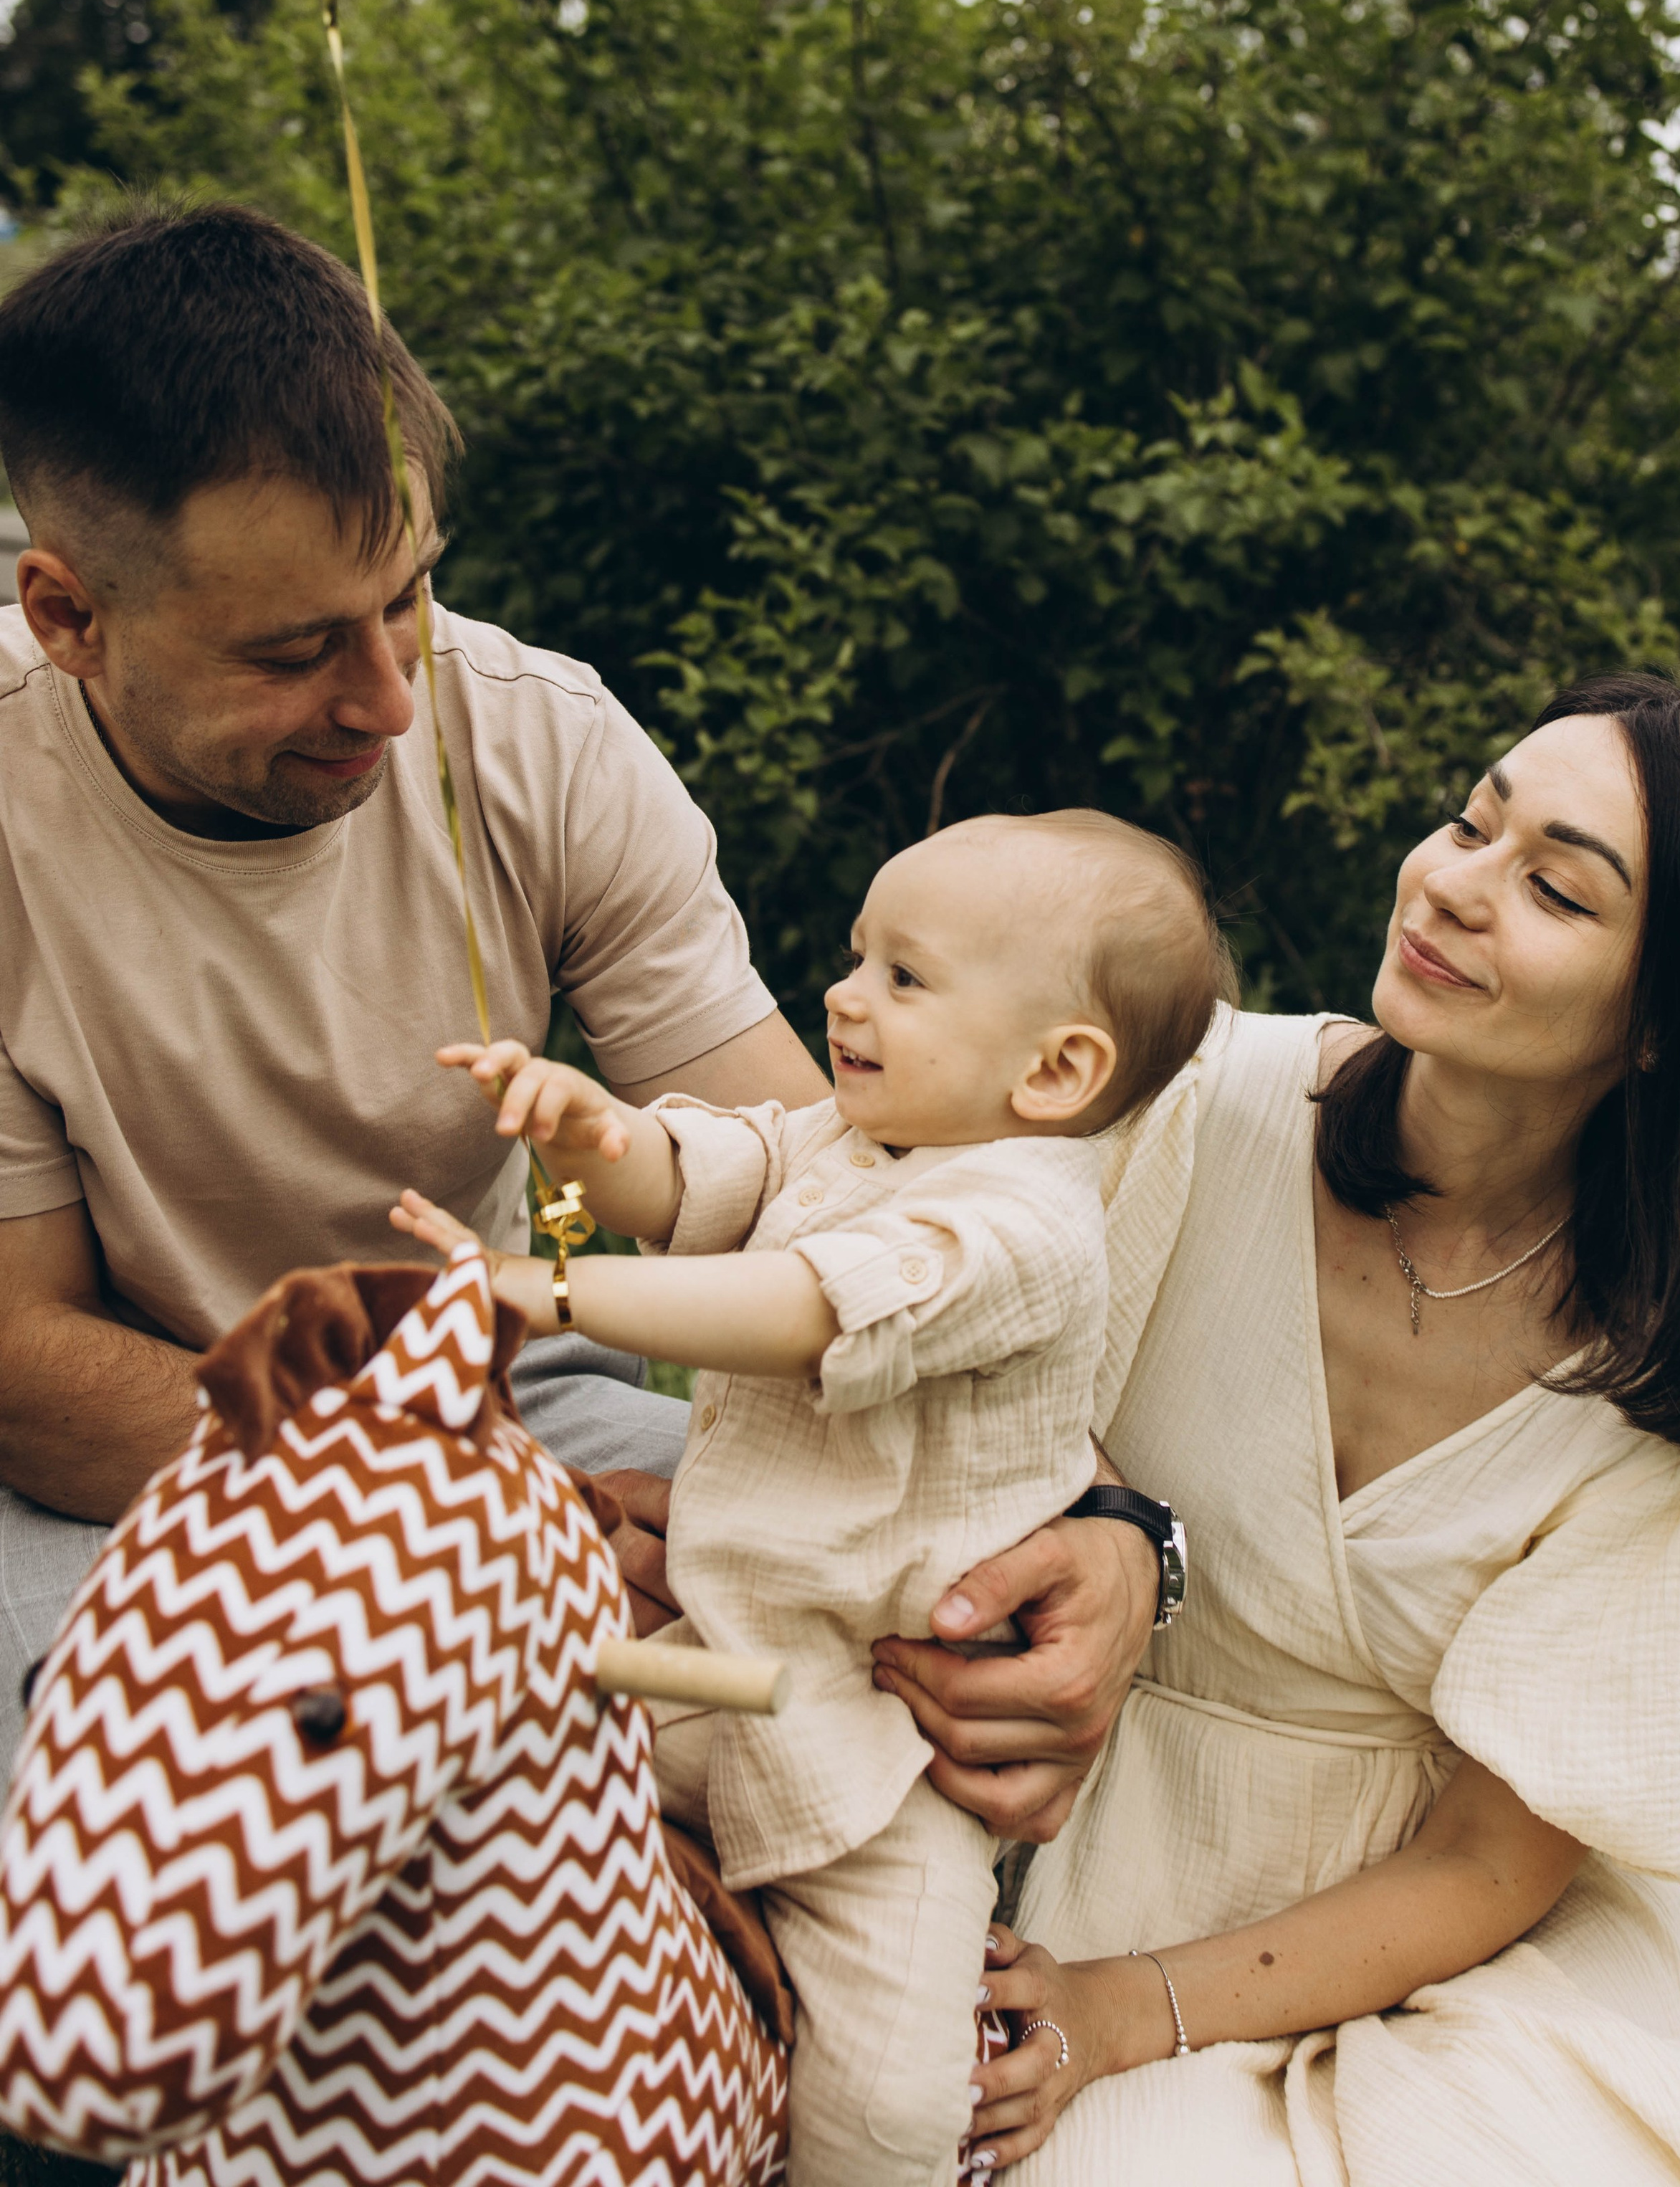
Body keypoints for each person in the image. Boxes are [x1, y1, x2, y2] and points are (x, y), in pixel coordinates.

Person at [0, 196, 1160, 1821]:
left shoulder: (543, 740)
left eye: (406, 597)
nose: (393, 702)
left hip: (497, 1381)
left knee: (915, 1621)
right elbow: (24, 1364)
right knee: (163, 1823)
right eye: (296, 652)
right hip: (115, 1462)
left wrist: (1101, 1523)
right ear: (68, 617)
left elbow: (841, 1171)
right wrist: (471, 1519)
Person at [930, 677, 1680, 2183]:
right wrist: (1108, 1522)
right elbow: (939, 1344)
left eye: (1550, 885)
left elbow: (1487, 1865)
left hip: (1463, 1947)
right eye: (1468, 823)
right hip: (1079, 1828)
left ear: (1667, 1022)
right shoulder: (1202, 1100)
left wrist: (1117, 2013)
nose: (1455, 886)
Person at [395, 808, 1227, 2187]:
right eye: (858, 956)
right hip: (712, 1663)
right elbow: (702, 1182)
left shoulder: (1024, 1231)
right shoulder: (849, 1140)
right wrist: (593, 1131)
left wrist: (537, 1292)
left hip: (876, 1748)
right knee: (472, 1743)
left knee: (889, 2100)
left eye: (905, 976)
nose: (844, 995)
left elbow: (797, 1307)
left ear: (1056, 1069)